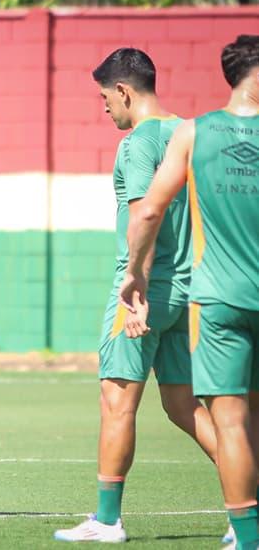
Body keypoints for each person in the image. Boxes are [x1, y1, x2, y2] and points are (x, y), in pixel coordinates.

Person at [54, 48, 218, 543]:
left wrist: (136, 283)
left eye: (105, 97)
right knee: (184, 404)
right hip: (192, 291)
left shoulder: (137, 144)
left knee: (117, 401)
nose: (104, 107)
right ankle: (247, 504)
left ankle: (107, 520)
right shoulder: (193, 133)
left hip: (145, 291)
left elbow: (147, 213)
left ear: (123, 91)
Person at [118, 35, 259, 550]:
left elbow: (149, 211)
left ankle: (248, 538)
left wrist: (134, 273)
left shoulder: (195, 133)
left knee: (232, 422)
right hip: (219, 300)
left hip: (218, 301)